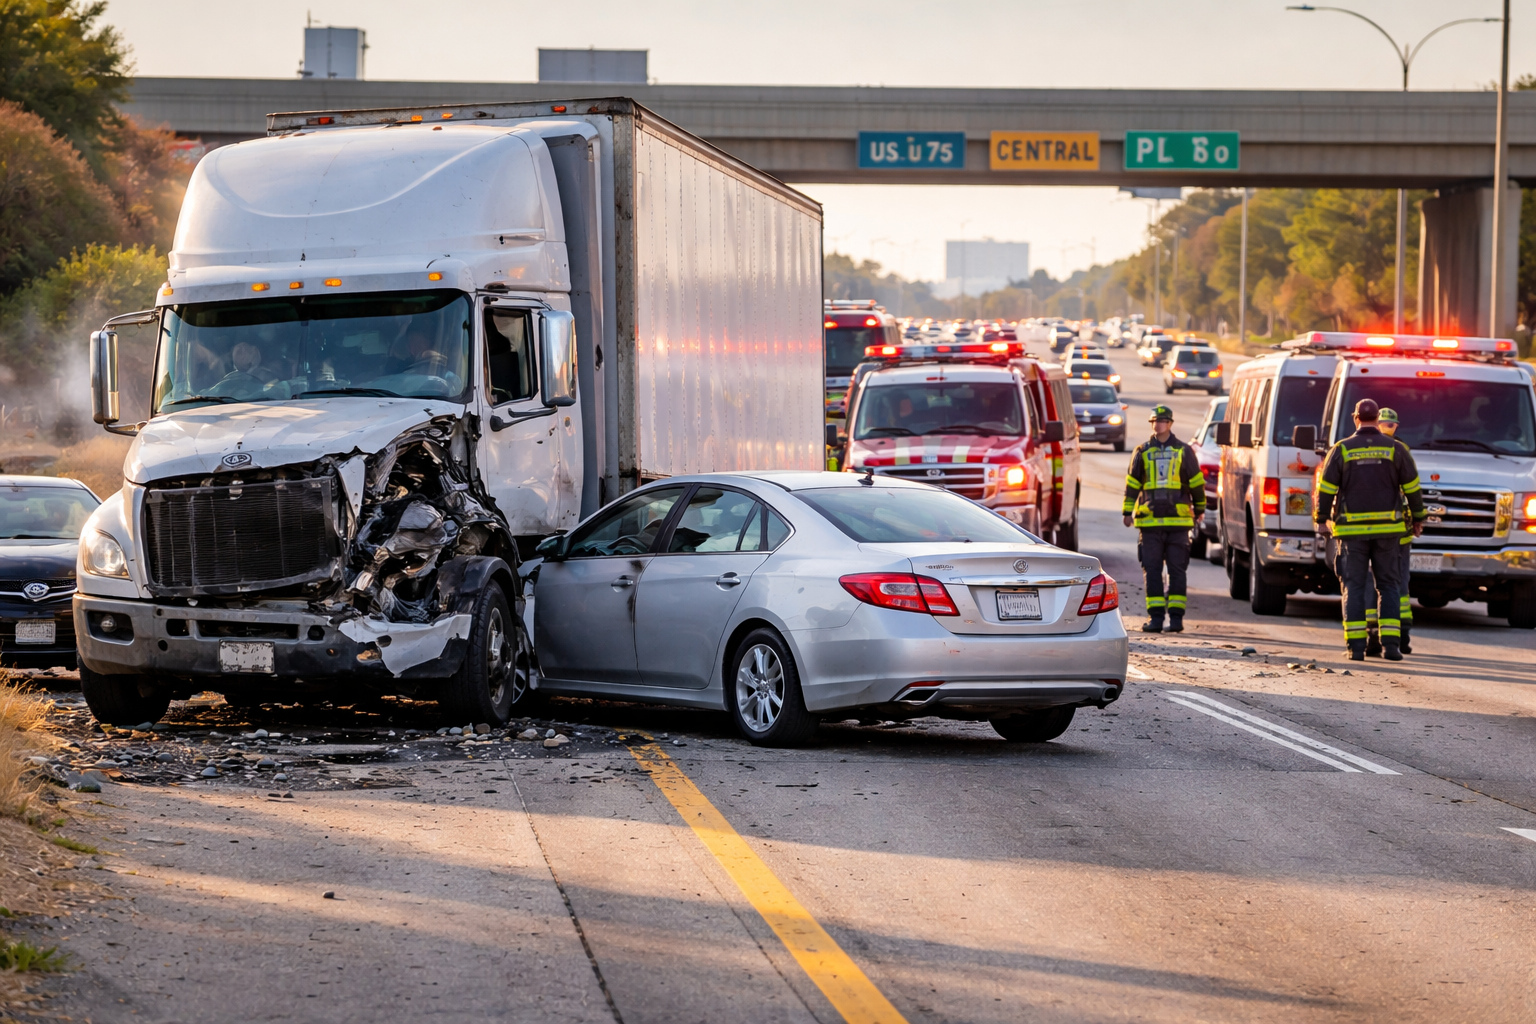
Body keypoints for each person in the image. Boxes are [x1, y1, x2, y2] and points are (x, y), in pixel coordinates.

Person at [1314, 399, 1426, 662]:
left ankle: (1356, 649)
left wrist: (1321, 520)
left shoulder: (1341, 450)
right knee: (1389, 586)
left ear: (1356, 418)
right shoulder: (1395, 449)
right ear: (1377, 418)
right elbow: (1412, 488)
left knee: (1353, 587)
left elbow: (1326, 489)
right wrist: (1419, 518)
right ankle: (1391, 647)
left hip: (1351, 533)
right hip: (1389, 532)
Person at [1122, 405, 1206, 633]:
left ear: (1170, 423)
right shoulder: (1142, 451)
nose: (1157, 425)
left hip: (1178, 524)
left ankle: (1177, 619)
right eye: (1154, 421)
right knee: (1152, 570)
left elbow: (1197, 483)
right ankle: (1156, 619)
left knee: (1178, 571)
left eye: (1161, 421)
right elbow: (1132, 484)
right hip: (1149, 524)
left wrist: (1200, 509)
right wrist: (1127, 512)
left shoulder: (1184, 451)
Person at [1375, 408, 1415, 654]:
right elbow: (1412, 488)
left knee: (1376, 582)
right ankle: (1401, 637)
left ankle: (1376, 636)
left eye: (1390, 426)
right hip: (1398, 527)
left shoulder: (1357, 447)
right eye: (1385, 425)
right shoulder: (1401, 450)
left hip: (1371, 529)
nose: (1388, 429)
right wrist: (1418, 517)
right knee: (1397, 583)